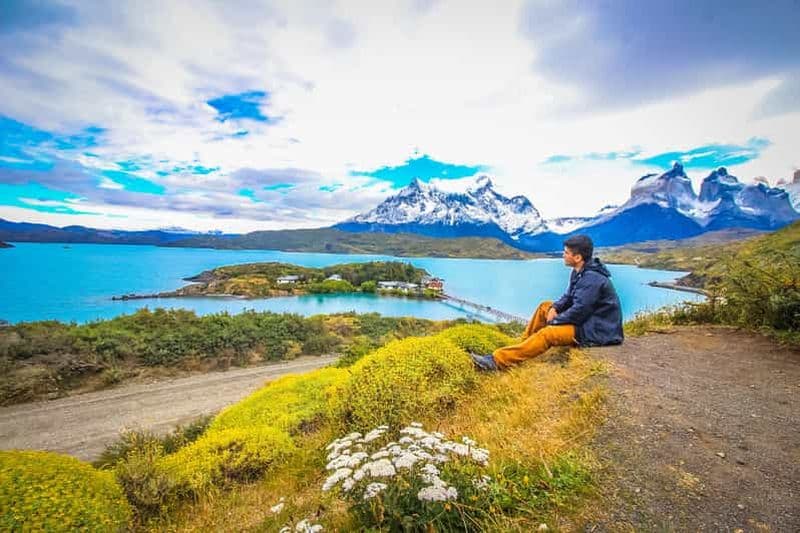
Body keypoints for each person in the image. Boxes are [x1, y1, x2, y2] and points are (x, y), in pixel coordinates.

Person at [471, 234, 623, 371]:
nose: (563, 255)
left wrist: (555, 320)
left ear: (577, 257)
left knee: (548, 334)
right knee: (545, 306)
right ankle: (523, 345)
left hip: (597, 330)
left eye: (566, 253)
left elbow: (579, 312)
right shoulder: (579, 271)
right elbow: (568, 297)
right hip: (587, 321)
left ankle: (496, 361)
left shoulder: (591, 278)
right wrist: (555, 308)